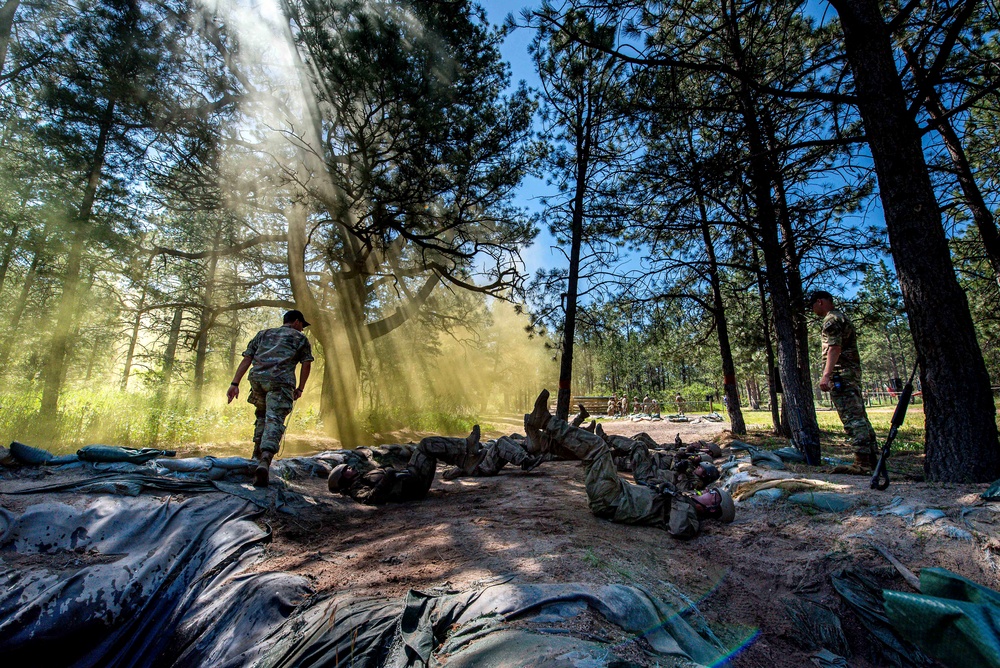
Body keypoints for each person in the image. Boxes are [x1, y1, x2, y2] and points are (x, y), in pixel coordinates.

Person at [523, 390, 734, 538]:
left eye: (713, 495)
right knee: (591, 452)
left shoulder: (691, 517)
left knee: (597, 447)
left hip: (612, 501)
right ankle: (541, 443)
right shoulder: (689, 503)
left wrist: (676, 496)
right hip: (618, 491)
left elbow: (680, 530)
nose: (709, 491)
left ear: (713, 509)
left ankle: (545, 422)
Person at [228, 309, 314, 486]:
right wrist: (300, 388)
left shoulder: (263, 334)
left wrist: (235, 384)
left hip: (257, 380)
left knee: (261, 416)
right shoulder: (300, 339)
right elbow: (306, 364)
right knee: (274, 419)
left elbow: (247, 359)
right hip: (280, 383)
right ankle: (265, 461)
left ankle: (254, 457)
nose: (302, 329)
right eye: (302, 326)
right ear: (297, 321)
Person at [810, 290, 878, 472]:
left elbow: (834, 348)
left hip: (842, 375)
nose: (813, 310)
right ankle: (872, 460)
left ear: (820, 302)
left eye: (813, 306)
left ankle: (863, 463)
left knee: (852, 419)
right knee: (860, 416)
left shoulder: (831, 320)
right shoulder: (840, 318)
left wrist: (827, 374)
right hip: (850, 374)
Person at [328, 427, 485, 504]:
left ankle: (466, 457)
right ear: (343, 480)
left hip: (410, 477)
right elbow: (370, 498)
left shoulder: (361, 478)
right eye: (347, 470)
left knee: (426, 444)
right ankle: (466, 449)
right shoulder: (356, 489)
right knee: (426, 445)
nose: (351, 468)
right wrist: (388, 476)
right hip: (413, 487)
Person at [442, 435, 544, 479]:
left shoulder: (465, 450)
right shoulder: (459, 460)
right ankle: (525, 461)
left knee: (504, 438)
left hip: (487, 460)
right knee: (500, 442)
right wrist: (462, 467)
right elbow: (446, 474)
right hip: (484, 467)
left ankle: (527, 457)